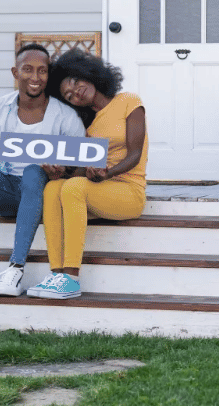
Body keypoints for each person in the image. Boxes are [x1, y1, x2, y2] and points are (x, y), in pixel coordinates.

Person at [0, 43, 86, 297]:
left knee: (34, 171)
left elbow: (81, 171)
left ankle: (16, 269)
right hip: (6, 190)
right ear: (15, 72)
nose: (35, 78)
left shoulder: (65, 116)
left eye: (42, 71)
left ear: (48, 75)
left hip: (41, 193)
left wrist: (61, 173)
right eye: (28, 70)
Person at [27, 49, 148, 299]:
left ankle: (71, 278)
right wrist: (59, 172)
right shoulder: (89, 127)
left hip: (129, 191)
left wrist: (108, 173)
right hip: (101, 190)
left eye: (74, 82)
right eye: (68, 96)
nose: (76, 92)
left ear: (87, 74)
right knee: (53, 188)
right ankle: (57, 273)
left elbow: (135, 154)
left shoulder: (129, 101)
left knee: (73, 188)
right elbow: (82, 172)